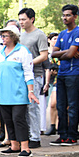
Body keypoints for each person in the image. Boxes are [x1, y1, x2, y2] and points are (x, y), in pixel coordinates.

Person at [0, 25, 38, 157]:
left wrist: (30, 90)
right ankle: (14, 145)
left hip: (18, 92)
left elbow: (28, 73)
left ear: (13, 37)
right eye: (2, 36)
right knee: (7, 119)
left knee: (18, 119)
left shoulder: (23, 51)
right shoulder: (1, 51)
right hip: (4, 92)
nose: (3, 38)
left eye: (5, 36)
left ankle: (25, 147)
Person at [49, 5, 79, 146]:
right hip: (62, 73)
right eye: (64, 15)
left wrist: (65, 53)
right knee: (61, 105)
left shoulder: (78, 32)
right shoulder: (62, 34)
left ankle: (72, 135)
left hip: (75, 73)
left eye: (68, 15)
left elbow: (70, 54)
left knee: (73, 105)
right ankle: (62, 135)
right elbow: (53, 53)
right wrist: (66, 52)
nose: (65, 18)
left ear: (75, 16)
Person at [18, 8, 49, 148]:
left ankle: (35, 137)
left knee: (32, 107)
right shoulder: (20, 36)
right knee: (22, 108)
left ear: (32, 19)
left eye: (24, 19)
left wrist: (29, 62)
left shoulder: (39, 35)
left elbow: (44, 55)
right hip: (21, 76)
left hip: (35, 75)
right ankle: (26, 136)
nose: (21, 22)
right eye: (20, 19)